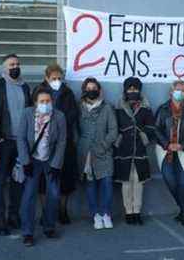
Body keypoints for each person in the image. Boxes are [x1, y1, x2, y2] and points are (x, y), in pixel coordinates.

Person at [18, 87, 67, 247]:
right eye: (42, 101)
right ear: (35, 102)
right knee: (29, 195)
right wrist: (25, 162)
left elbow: (62, 141)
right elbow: (21, 139)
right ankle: (27, 232)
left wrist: (56, 164)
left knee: (53, 193)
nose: (46, 104)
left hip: (50, 159)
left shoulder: (59, 116)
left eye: (48, 101)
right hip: (32, 160)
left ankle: (49, 226)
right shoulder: (27, 114)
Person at [0, 54, 32, 235]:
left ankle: (14, 216)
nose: (15, 67)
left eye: (17, 64)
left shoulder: (25, 87)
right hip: (3, 142)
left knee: (19, 181)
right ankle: (0, 221)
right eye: (11, 64)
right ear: (4, 68)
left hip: (21, 143)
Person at [37, 64, 79, 224]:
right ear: (46, 78)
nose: (57, 81)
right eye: (54, 78)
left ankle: (62, 210)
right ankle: (45, 212)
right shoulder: (39, 92)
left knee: (66, 178)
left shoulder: (68, 93)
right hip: (44, 142)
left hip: (65, 140)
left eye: (59, 78)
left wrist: (61, 124)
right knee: (43, 181)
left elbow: (73, 114)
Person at [155, 80, 184, 230]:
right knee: (170, 180)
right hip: (165, 149)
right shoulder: (162, 109)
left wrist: (183, 145)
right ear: (171, 92)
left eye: (183, 90)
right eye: (177, 90)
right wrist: (167, 144)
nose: (180, 93)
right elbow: (156, 129)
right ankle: (183, 207)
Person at [77, 78, 119, 230]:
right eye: (88, 88)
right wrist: (79, 144)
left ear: (99, 90)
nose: (91, 90)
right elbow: (75, 129)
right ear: (84, 90)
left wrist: (104, 145)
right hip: (85, 152)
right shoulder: (79, 108)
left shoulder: (107, 108)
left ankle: (106, 213)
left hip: (103, 151)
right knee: (90, 184)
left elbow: (113, 130)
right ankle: (95, 214)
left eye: (94, 88)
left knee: (106, 182)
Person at [114, 77, 155, 225]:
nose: (133, 91)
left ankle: (137, 211)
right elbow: (114, 127)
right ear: (125, 90)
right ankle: (128, 212)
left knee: (138, 182)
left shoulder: (146, 107)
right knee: (126, 182)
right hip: (124, 149)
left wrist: (143, 134)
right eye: (130, 88)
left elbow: (151, 127)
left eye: (135, 88)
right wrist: (119, 139)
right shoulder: (118, 107)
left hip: (139, 150)